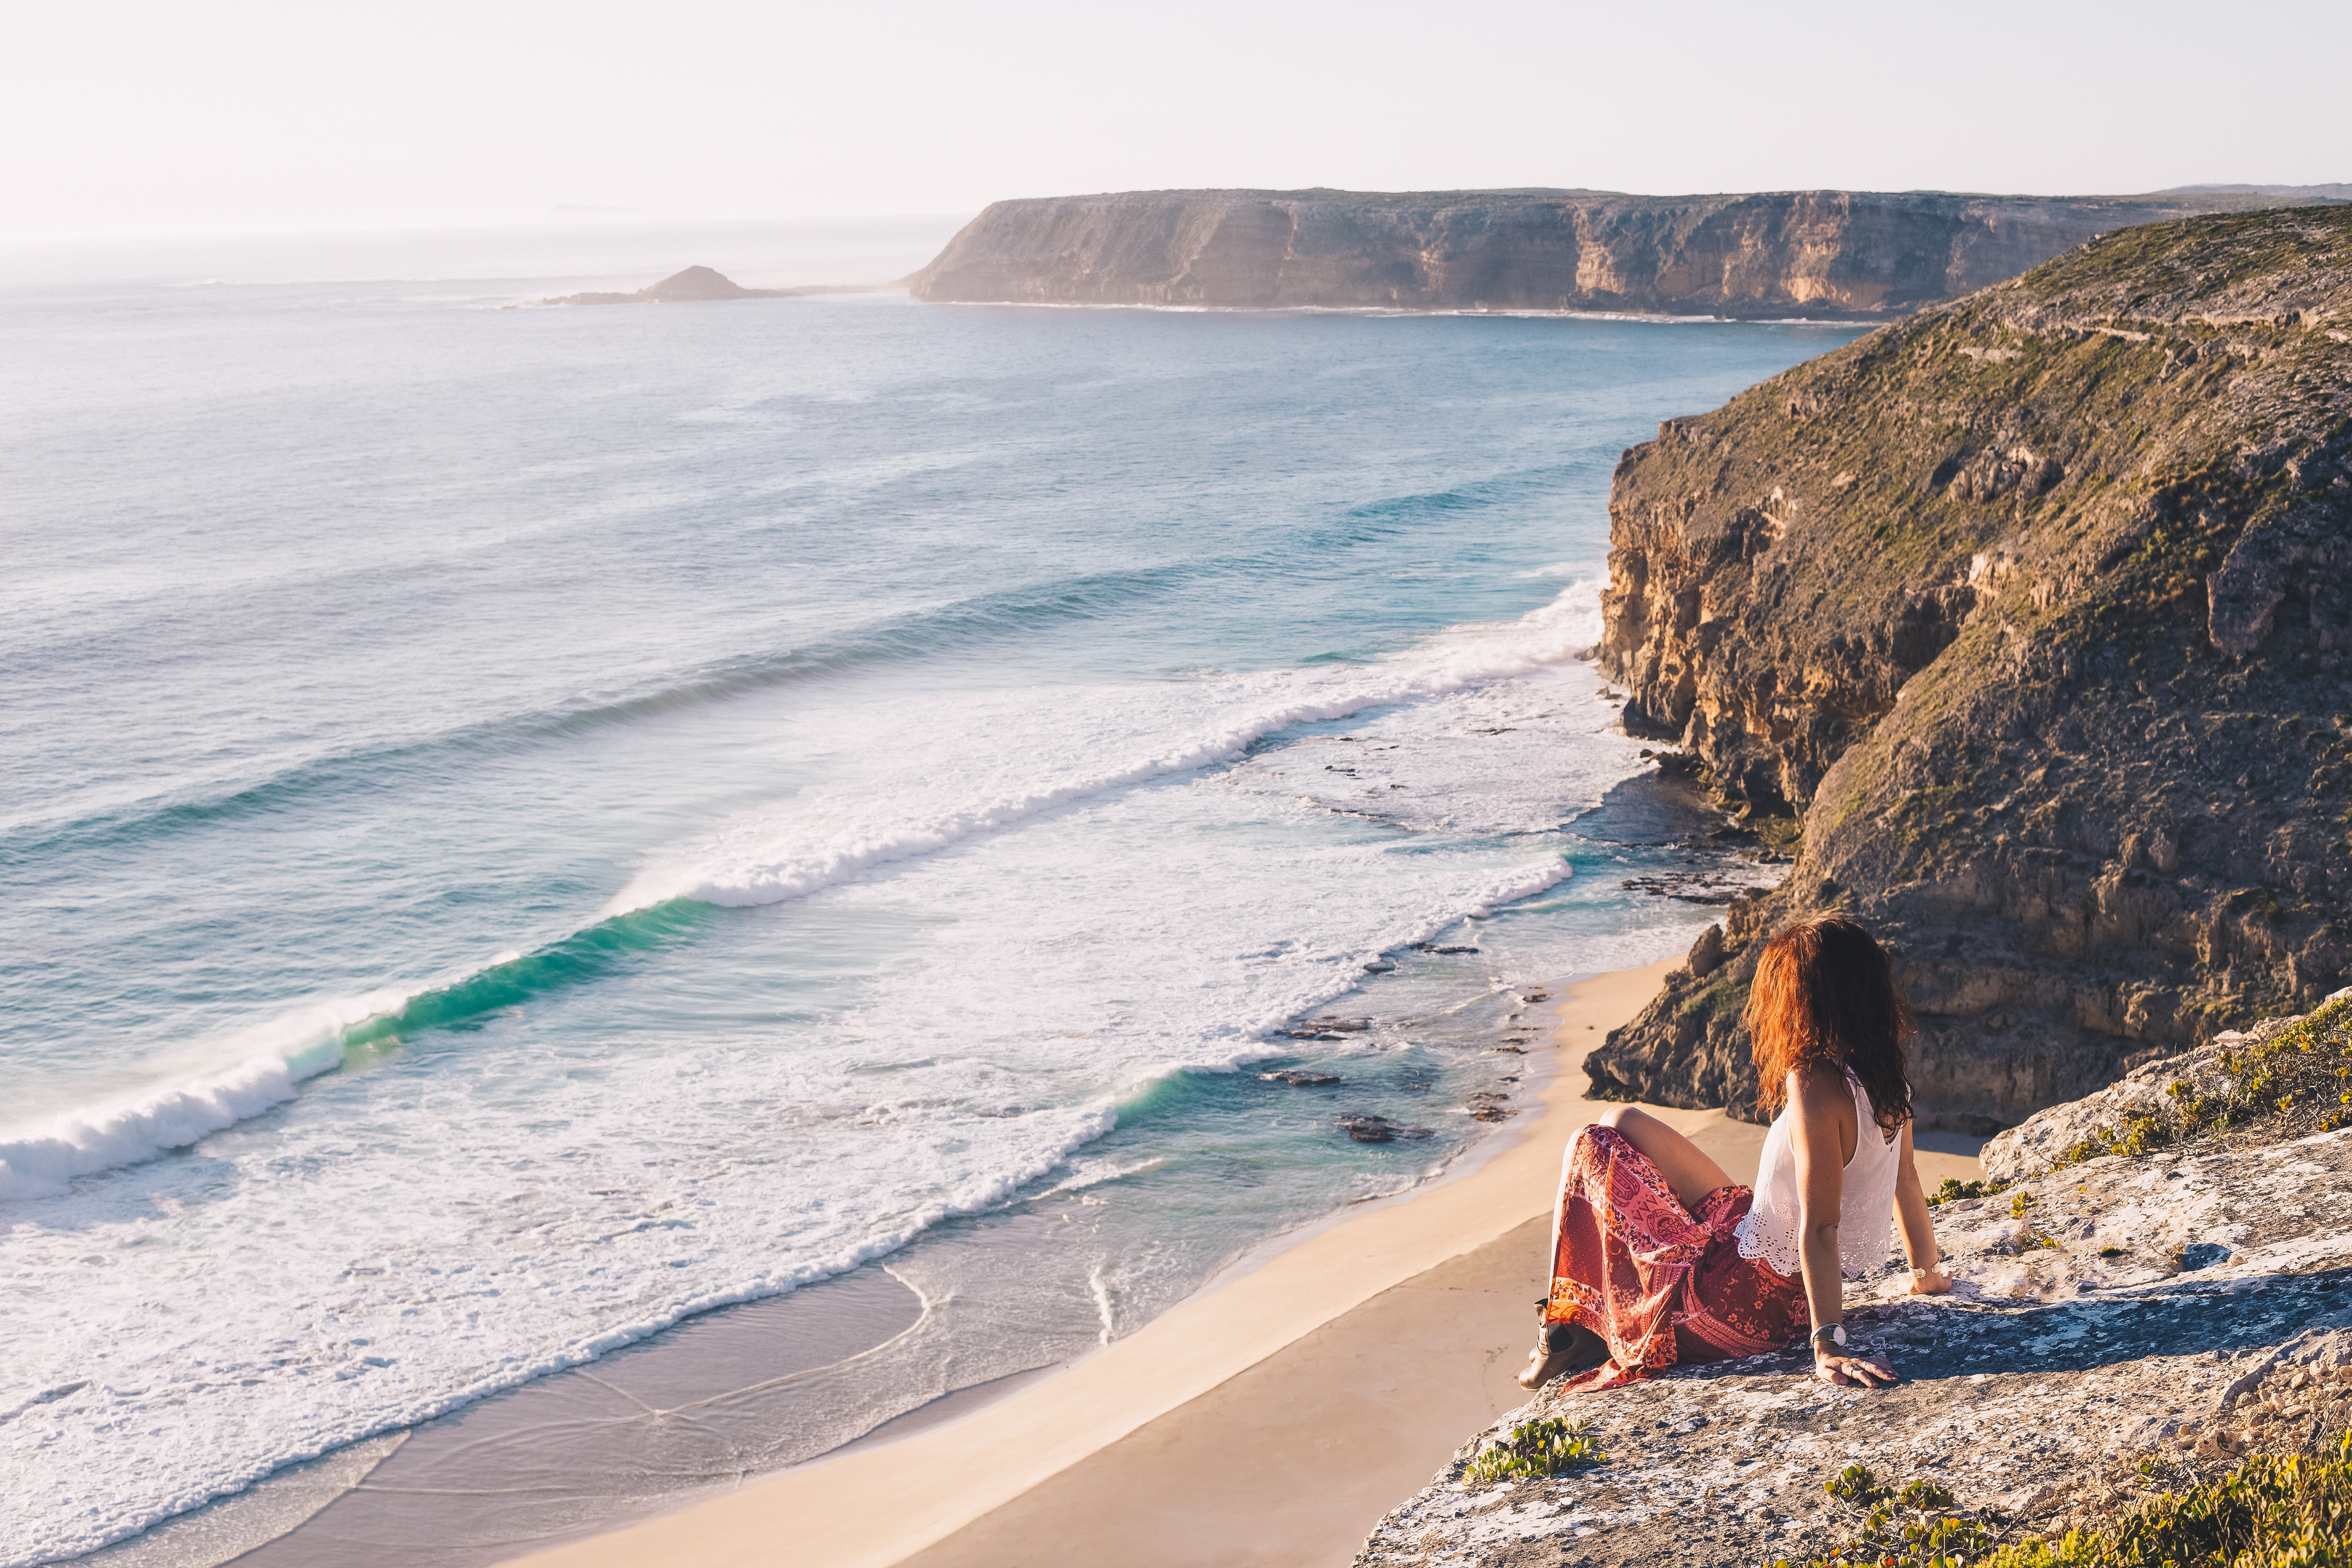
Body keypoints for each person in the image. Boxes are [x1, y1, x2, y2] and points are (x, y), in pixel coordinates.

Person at [1519, 914, 1954, 1393]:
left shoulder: (1813, 1083)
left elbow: (1821, 1227)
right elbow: (1906, 1178)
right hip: (1766, 1259)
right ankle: (1568, 1327)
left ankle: (1562, 1334)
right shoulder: (1885, 1075)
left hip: (1738, 1305)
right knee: (1620, 1121)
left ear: (1805, 1002)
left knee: (1588, 1142)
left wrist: (1827, 1341)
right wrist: (1926, 1275)